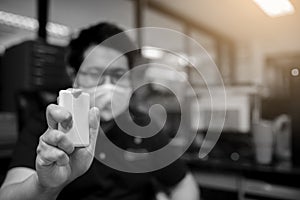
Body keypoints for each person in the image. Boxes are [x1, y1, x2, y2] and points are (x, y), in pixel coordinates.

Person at [0, 22, 199, 200]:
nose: (108, 87)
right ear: (73, 74)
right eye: (96, 74)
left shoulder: (143, 126)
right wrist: (43, 186)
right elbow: (7, 194)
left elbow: (183, 182)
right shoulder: (48, 127)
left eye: (118, 75)